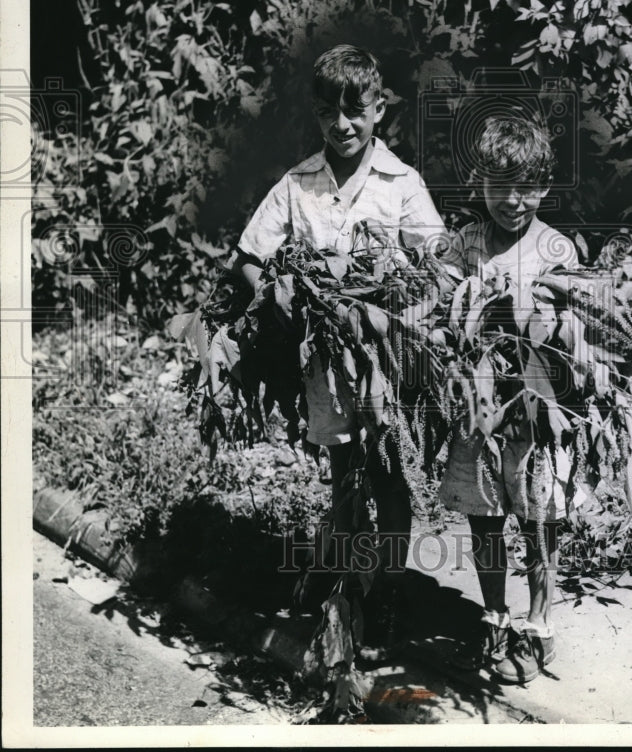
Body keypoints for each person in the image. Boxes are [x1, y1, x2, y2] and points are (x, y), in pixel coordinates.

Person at [231, 44, 445, 644]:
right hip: (325, 361)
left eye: (357, 110)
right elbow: (248, 258)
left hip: (391, 361)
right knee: (345, 469)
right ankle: (348, 584)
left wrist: (405, 312)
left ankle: (393, 588)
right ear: (316, 114)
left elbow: (438, 264)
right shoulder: (298, 185)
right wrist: (283, 303)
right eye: (329, 112)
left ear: (380, 111)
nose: (343, 124)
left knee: (391, 471)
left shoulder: (401, 183)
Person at [439, 111, 582, 684]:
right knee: (485, 518)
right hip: (479, 411)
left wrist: (529, 312)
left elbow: (569, 333)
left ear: (544, 187)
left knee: (539, 518)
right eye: (501, 186)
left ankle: (539, 620)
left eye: (526, 187)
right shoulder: (467, 242)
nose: (513, 200)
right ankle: (494, 615)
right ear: (482, 184)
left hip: (535, 408)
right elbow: (444, 303)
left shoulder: (557, 250)